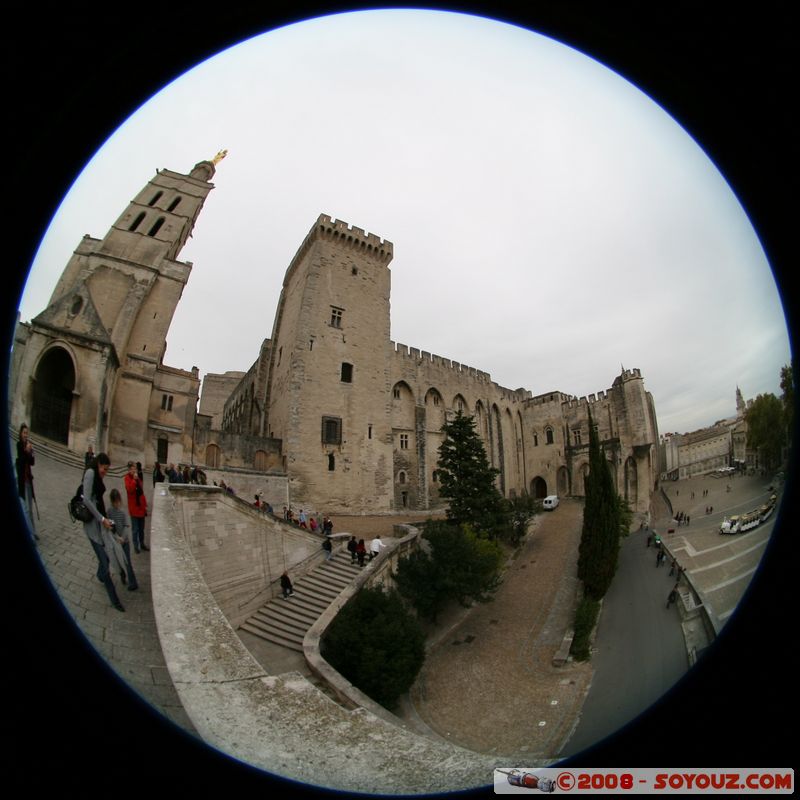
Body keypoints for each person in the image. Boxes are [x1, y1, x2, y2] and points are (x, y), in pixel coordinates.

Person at [82, 453, 125, 612]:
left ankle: (100, 575)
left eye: (107, 470)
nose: (105, 473)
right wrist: (102, 519)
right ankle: (114, 600)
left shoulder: (97, 475)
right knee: (106, 562)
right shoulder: (90, 473)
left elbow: (98, 501)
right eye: (104, 469)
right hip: (92, 526)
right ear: (98, 464)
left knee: (106, 555)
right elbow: (87, 499)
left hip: (100, 524)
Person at [106, 488, 138, 591]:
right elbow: (110, 527)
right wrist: (116, 537)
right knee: (119, 561)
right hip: (116, 541)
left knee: (127, 562)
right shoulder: (109, 511)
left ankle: (133, 582)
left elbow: (126, 525)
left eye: (118, 502)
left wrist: (123, 538)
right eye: (115, 502)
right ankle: (122, 575)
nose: (117, 504)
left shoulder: (123, 512)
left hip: (125, 541)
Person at [15, 423, 38, 542]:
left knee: (30, 508)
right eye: (24, 433)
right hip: (22, 481)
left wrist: (31, 452)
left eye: (26, 433)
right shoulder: (19, 445)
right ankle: (31, 534)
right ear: (20, 433)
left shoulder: (27, 446)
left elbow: (32, 462)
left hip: (29, 481)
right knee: (26, 509)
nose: (25, 435)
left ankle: (33, 531)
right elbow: (22, 460)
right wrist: (26, 451)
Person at [124, 461, 148, 553]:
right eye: (133, 468)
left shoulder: (137, 478)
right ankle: (135, 546)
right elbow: (130, 489)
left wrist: (145, 505)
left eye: (135, 468)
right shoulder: (127, 478)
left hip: (141, 507)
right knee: (135, 529)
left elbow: (141, 489)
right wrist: (134, 480)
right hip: (134, 507)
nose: (135, 470)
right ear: (130, 469)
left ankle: (142, 544)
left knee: (142, 528)